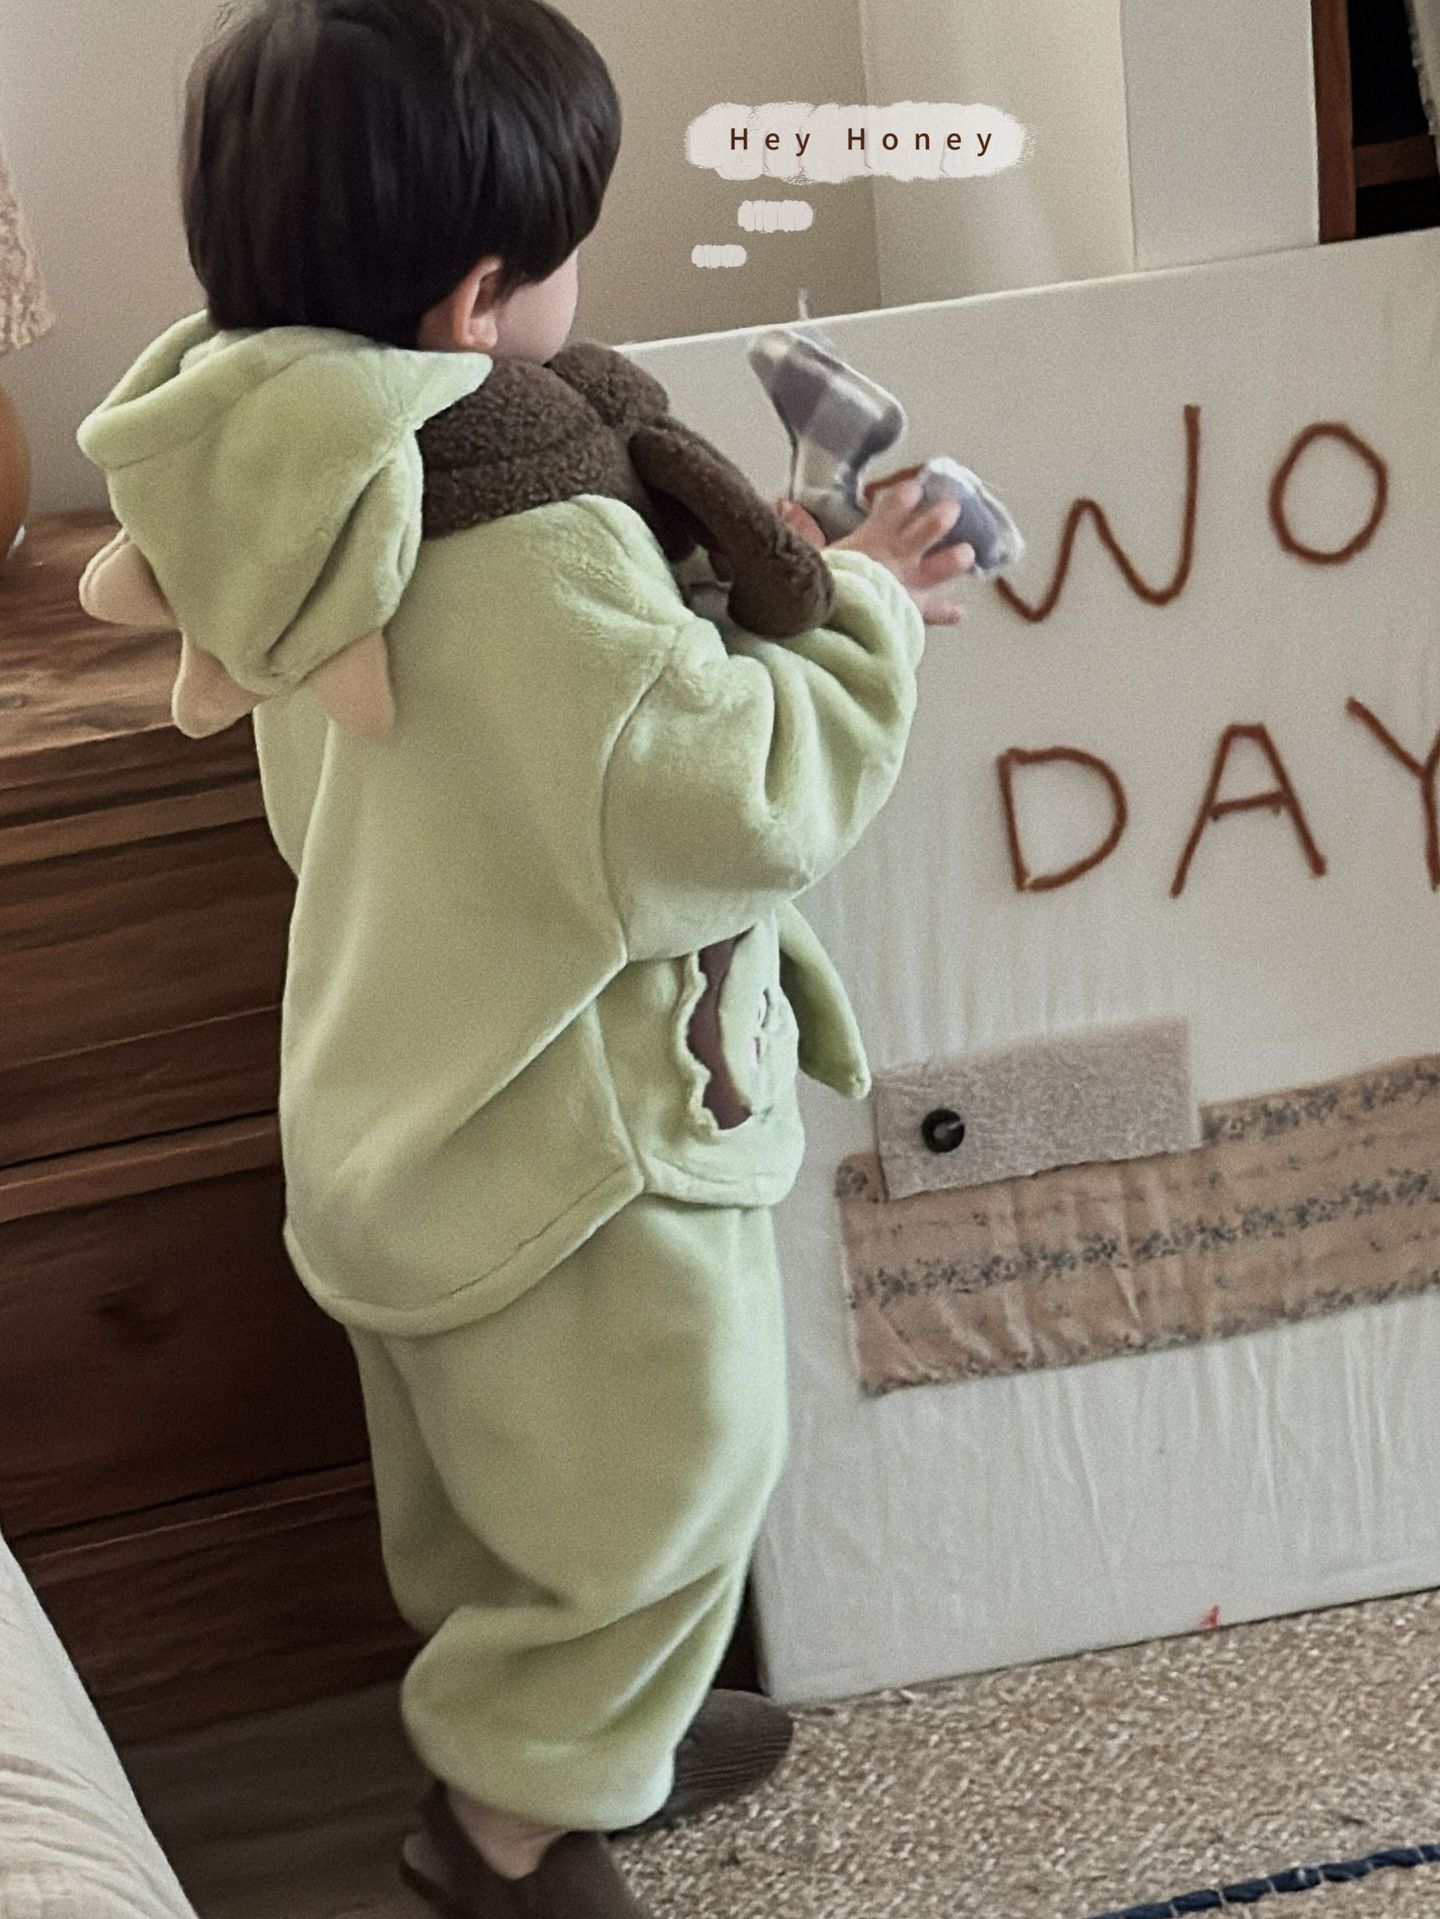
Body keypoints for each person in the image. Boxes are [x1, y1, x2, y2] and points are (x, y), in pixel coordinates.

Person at [77, 2, 974, 1913]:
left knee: (498, 1486)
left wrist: (739, 565)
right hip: (569, 1139)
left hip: (397, 1097)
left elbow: (550, 736)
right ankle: (508, 1827)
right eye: (566, 251)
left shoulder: (307, 480)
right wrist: (872, 609)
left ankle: (579, 1734)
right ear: (478, 298)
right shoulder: (527, 555)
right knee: (668, 1475)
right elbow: (728, 791)